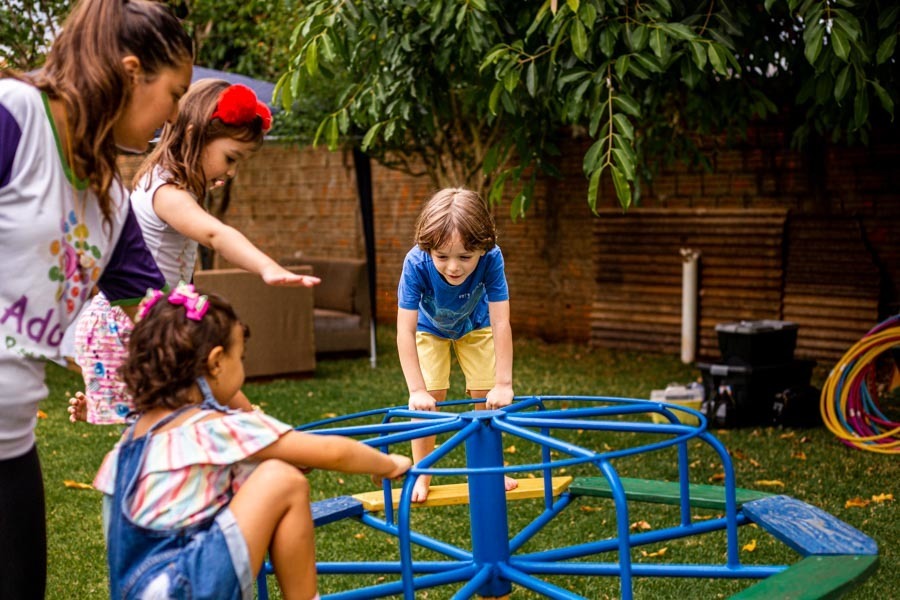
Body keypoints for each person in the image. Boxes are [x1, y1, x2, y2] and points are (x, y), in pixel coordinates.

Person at [0, 1, 194, 596]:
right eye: (174, 92)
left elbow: (155, 316)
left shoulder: (107, 192)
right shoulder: (16, 117)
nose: (174, 115)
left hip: (11, 446)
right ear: (132, 73)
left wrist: (220, 389)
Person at [94, 285, 411, 599]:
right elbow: (331, 452)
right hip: (180, 589)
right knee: (282, 480)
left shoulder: (127, 445)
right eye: (241, 357)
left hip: (134, 590)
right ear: (217, 362)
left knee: (253, 478)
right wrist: (388, 463)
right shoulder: (212, 430)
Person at [69, 78, 320, 424]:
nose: (231, 171)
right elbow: (215, 234)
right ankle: (266, 440)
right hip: (132, 322)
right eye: (230, 158)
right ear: (193, 136)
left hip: (156, 319)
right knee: (185, 415)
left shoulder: (171, 184)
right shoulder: (167, 191)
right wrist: (267, 267)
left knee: (212, 399)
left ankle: (266, 437)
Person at [396, 188, 517, 502]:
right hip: (428, 327)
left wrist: (503, 383)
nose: (453, 267)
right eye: (443, 257)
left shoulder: (492, 258)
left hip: (475, 325)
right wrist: (416, 390)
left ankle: (491, 467)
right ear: (429, 248)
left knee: (486, 393)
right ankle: (422, 471)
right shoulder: (417, 263)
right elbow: (404, 331)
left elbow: (501, 321)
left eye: (465, 257)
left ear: (483, 246)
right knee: (430, 396)